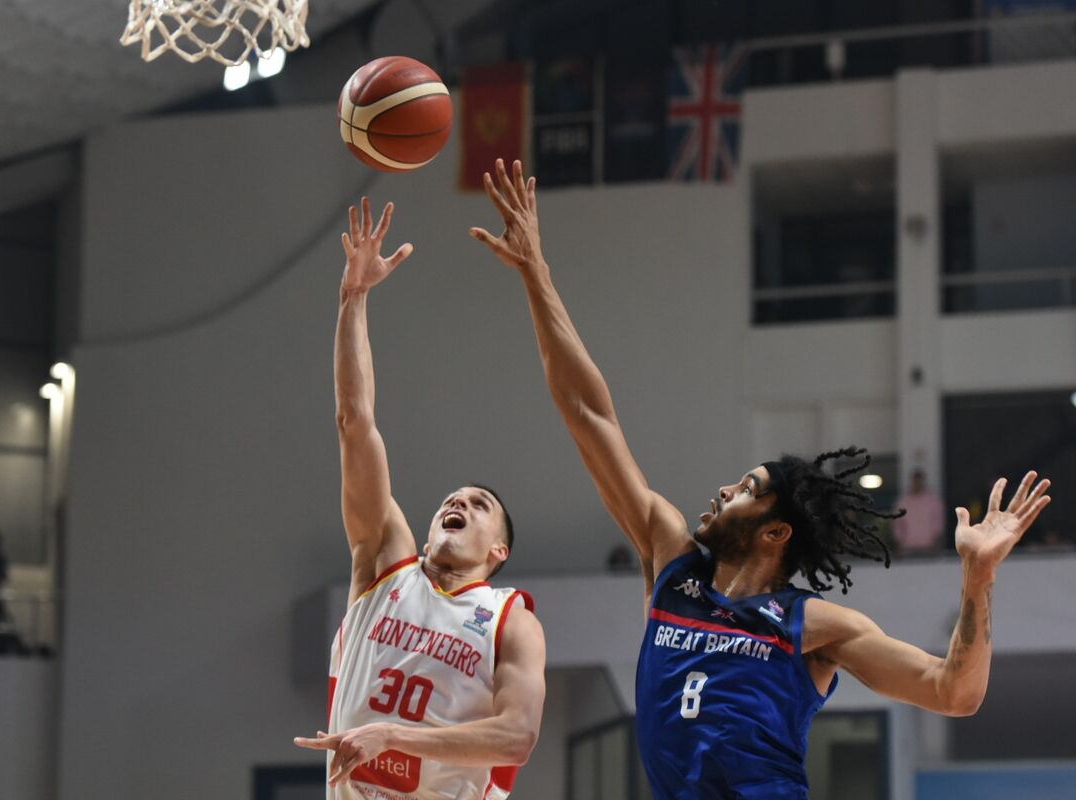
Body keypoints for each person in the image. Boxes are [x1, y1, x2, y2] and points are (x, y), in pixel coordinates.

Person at [471, 159, 1054, 799]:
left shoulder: (815, 624)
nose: (725, 491)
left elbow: (953, 693)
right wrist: (537, 275)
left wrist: (978, 577)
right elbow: (588, 414)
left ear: (776, 532)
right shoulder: (673, 567)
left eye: (746, 489)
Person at [293, 198, 546, 799]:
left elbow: (516, 737)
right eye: (453, 499)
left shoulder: (511, 620)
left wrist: (393, 737)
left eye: (480, 505)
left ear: (500, 550)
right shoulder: (385, 565)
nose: (459, 503)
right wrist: (352, 298)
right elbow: (355, 422)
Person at [894, 468, 946, 555]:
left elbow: (938, 522)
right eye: (915, 481)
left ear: (923, 481)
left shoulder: (933, 501)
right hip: (907, 547)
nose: (917, 483)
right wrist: (899, 542)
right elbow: (898, 524)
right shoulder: (903, 502)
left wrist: (937, 541)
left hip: (929, 546)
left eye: (919, 481)